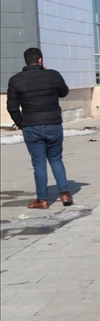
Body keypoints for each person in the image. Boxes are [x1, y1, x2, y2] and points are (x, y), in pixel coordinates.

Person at [6, 47, 73, 209]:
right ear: (41, 60)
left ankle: (42, 199)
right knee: (56, 159)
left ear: (25, 61)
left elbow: (12, 107)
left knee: (39, 164)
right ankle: (64, 194)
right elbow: (64, 92)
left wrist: (21, 123)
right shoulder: (53, 75)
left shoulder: (16, 80)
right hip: (53, 124)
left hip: (32, 126)